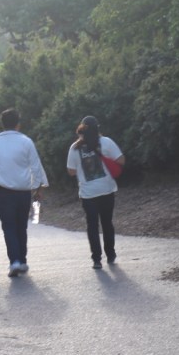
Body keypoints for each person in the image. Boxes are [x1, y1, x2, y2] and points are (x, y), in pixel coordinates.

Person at [0, 108, 48, 277]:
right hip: (23, 191)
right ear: (18, 124)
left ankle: (14, 261)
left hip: (4, 192)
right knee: (21, 226)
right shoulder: (26, 142)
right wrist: (39, 188)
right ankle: (22, 260)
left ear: (2, 124)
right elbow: (36, 166)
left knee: (9, 227)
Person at [66, 115, 124, 269]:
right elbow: (121, 160)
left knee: (92, 225)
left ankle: (96, 259)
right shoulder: (106, 142)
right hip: (106, 189)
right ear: (98, 128)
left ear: (82, 129)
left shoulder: (75, 147)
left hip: (88, 193)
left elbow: (71, 171)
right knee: (107, 223)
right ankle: (110, 254)